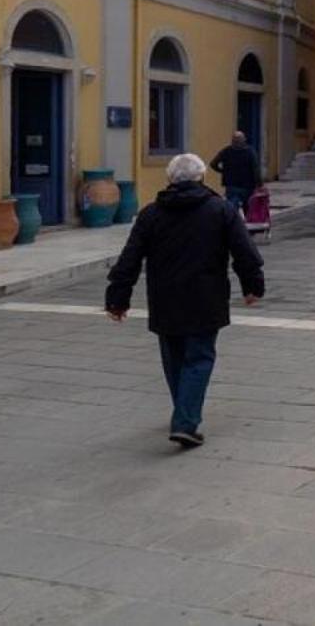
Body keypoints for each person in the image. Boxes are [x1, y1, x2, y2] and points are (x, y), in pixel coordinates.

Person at [104, 153, 264, 448]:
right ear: (202, 178)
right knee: (199, 357)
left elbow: (130, 258)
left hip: (165, 299)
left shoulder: (151, 214)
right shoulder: (221, 210)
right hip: (206, 297)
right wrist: (253, 286)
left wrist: (117, 298)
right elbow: (244, 252)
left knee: (175, 358)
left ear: (169, 180)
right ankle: (186, 421)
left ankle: (183, 413)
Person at [210, 132, 260, 215]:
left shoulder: (226, 151)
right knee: (248, 207)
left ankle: (233, 223)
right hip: (247, 184)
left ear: (232, 141)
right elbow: (255, 169)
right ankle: (247, 224)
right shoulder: (250, 152)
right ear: (244, 140)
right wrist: (259, 184)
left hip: (231, 184)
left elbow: (213, 164)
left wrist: (223, 171)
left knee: (232, 207)